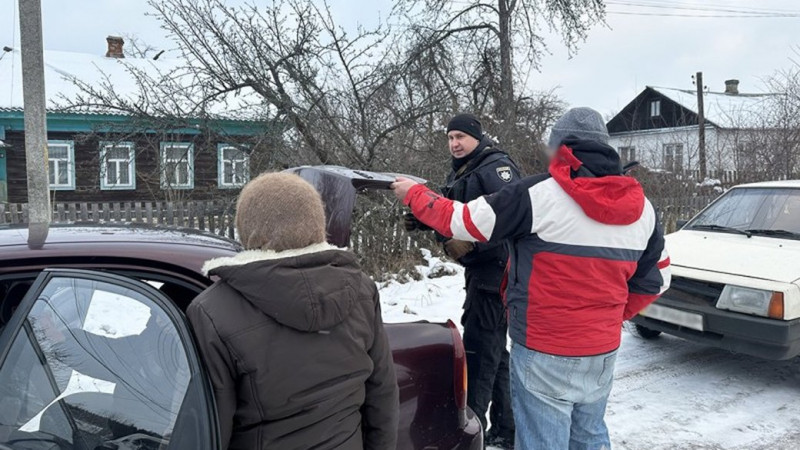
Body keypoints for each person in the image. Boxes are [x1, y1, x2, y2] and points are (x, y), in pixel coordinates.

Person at [392, 107, 671, 450]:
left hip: (544, 347)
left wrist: (413, 194)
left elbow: (463, 220)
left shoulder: (539, 195)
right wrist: (609, 316)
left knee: (542, 441)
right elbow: (656, 279)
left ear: (561, 147)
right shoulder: (643, 208)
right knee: (589, 434)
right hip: (602, 349)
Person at [187, 172, 399, 450]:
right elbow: (382, 396)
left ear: (248, 228)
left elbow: (210, 427)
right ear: (316, 223)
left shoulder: (211, 312)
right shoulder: (361, 289)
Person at [404, 113, 519, 447]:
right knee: (495, 354)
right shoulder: (465, 168)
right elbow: (456, 212)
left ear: (476, 137)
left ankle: (472, 436)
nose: (454, 143)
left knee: (480, 354)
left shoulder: (495, 169)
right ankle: (507, 429)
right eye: (450, 137)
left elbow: (511, 221)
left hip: (495, 275)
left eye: (461, 137)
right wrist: (427, 222)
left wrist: (472, 244)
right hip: (481, 272)